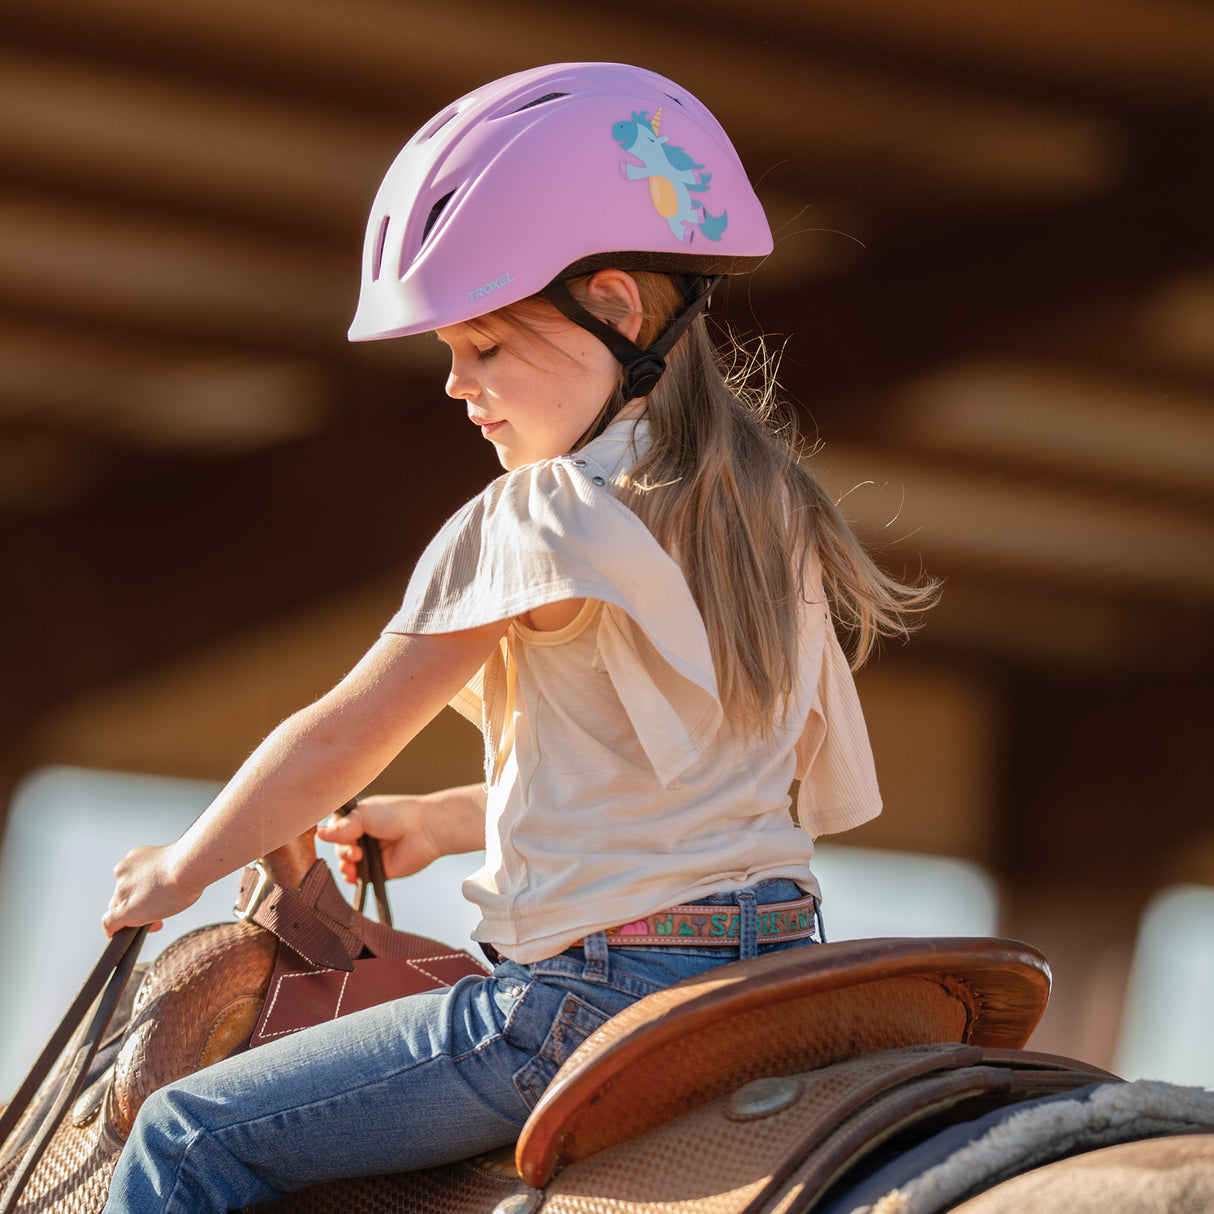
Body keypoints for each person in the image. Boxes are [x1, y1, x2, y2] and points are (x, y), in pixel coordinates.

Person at [100, 62, 936, 1213]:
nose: (456, 386)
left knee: (187, 1135)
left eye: (485, 348)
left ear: (615, 306)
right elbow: (697, 792)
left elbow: (342, 731)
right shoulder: (764, 505)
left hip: (587, 1001)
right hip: (779, 970)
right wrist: (446, 822)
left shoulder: (537, 513)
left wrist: (177, 868)